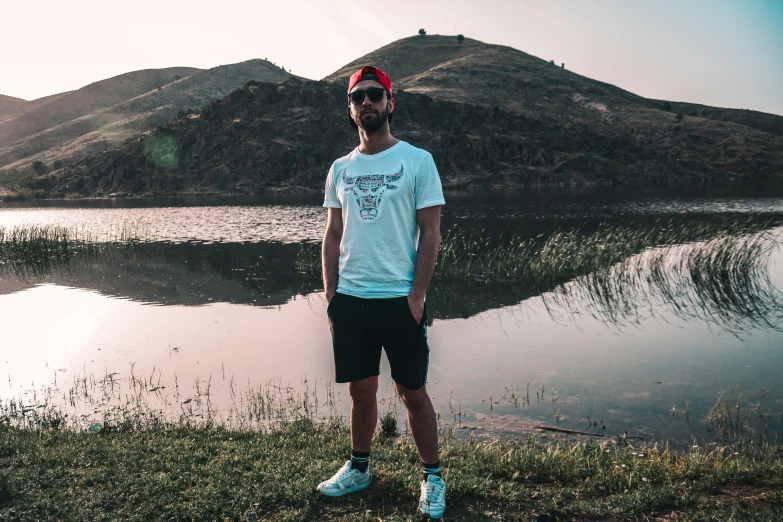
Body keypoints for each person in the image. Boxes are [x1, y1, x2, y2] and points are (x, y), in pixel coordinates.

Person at [317, 65, 446, 519]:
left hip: (399, 300)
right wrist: (331, 294)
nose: (367, 102)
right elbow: (332, 235)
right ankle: (359, 468)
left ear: (390, 102)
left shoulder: (417, 161)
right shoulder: (340, 169)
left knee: (414, 393)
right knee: (361, 391)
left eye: (375, 94)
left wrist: (417, 295)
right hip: (351, 300)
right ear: (350, 109)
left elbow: (430, 233)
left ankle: (432, 477)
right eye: (358, 97)